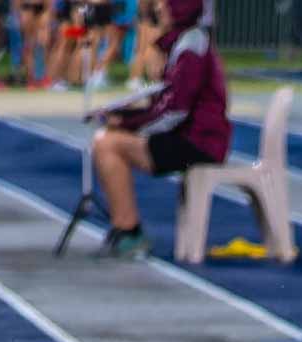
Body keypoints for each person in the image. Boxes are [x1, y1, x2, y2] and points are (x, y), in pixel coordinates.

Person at [91, 0, 229, 259]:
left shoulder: (191, 46)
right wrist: (125, 116)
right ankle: (125, 227)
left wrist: (128, 124)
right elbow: (166, 103)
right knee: (109, 138)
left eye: (166, 3)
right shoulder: (185, 42)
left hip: (199, 142)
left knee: (107, 143)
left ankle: (129, 230)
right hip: (194, 136)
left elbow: (176, 111)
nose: (159, 8)